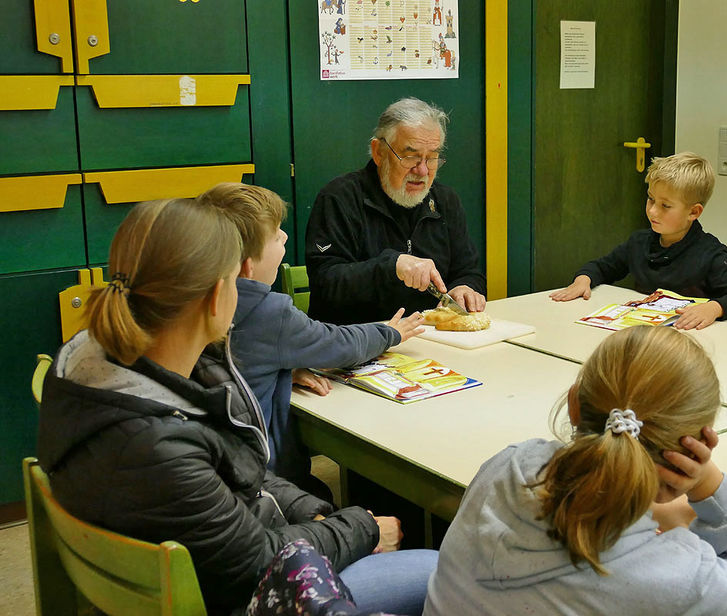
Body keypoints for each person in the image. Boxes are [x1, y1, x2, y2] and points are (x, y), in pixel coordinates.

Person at [36, 198, 437, 616]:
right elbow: (255, 563)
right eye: (234, 282)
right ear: (215, 297)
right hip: (236, 595)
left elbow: (240, 472)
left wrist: (317, 515)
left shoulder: (102, 360)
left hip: (218, 553)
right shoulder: (158, 445)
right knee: (441, 568)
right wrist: (361, 528)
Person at [424, 326, 727, 616]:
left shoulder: (508, 464)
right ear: (691, 450)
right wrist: (708, 486)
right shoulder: (677, 578)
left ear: (574, 404)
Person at [198, 182, 424, 494]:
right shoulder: (268, 312)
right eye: (276, 234)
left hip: (219, 470)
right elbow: (338, 344)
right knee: (321, 496)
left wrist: (283, 369)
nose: (285, 237)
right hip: (266, 476)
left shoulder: (196, 300)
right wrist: (390, 332)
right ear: (249, 266)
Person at [305, 97, 486, 325]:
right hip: (357, 342)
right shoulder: (339, 198)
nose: (421, 170)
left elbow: (468, 270)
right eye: (410, 156)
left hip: (430, 339)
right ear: (379, 152)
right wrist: (391, 266)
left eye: (431, 158)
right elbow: (326, 283)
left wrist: (466, 287)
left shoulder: (445, 200)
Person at [550, 152, 727, 330]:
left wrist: (714, 308)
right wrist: (583, 280)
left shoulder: (710, 253)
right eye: (650, 199)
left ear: (693, 212)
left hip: (688, 341)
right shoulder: (640, 242)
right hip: (642, 333)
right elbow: (603, 267)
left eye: (665, 205)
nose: (653, 211)